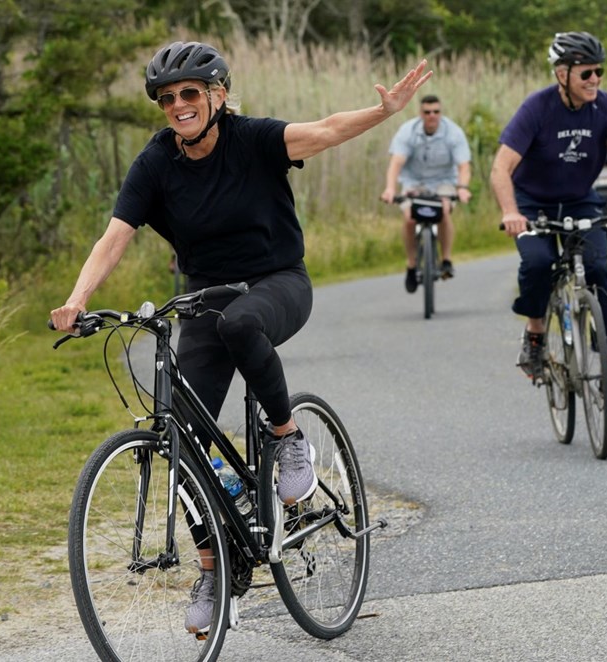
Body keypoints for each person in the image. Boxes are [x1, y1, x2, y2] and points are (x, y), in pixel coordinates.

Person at [49, 40, 432, 634]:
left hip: (278, 279)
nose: (179, 105)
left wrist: (382, 112)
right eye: (168, 98)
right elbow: (114, 236)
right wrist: (78, 301)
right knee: (179, 439)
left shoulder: (253, 138)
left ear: (218, 95)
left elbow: (326, 130)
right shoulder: (155, 164)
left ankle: (288, 438)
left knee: (241, 323)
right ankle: (216, 566)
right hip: (204, 292)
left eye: (190, 94)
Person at [489, 31, 607, 411]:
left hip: (580, 201)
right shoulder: (537, 108)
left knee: (600, 272)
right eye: (586, 73)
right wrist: (511, 212)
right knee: (538, 263)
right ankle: (535, 334)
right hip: (532, 204)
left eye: (599, 72)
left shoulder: (606, 108)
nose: (594, 80)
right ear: (563, 74)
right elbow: (500, 168)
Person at [380, 94, 472, 292]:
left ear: (441, 112)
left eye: (436, 112)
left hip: (444, 182)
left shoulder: (453, 133)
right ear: (420, 113)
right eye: (427, 112)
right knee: (409, 218)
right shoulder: (408, 132)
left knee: (444, 211)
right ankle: (412, 265)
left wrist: (462, 189)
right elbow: (396, 164)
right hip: (414, 182)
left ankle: (446, 260)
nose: (432, 116)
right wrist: (390, 189)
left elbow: (464, 166)